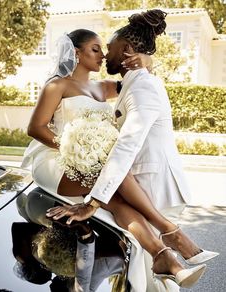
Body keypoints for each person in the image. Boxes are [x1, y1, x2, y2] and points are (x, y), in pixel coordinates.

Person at [22, 12, 217, 291]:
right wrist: (71, 149)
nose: (103, 54)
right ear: (76, 53)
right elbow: (36, 128)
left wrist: (149, 60)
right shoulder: (57, 85)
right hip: (58, 161)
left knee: (117, 197)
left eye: (104, 48)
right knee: (112, 172)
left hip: (92, 162)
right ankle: (170, 234)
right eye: (95, 49)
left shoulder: (105, 87)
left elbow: (142, 80)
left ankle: (164, 257)